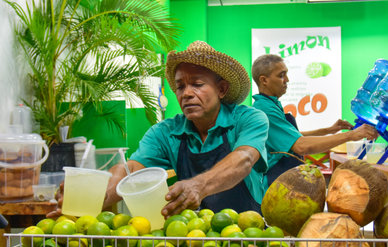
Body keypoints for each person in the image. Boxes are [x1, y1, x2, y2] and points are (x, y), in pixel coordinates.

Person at [48, 41, 269, 219]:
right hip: (195, 237)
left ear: (221, 89)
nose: (187, 93)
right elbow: (130, 169)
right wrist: (93, 200)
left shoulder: (248, 118)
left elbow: (244, 158)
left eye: (197, 84)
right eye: (181, 86)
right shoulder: (165, 132)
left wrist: (198, 185)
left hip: (247, 234)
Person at [251, 54, 378, 186]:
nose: (287, 80)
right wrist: (351, 135)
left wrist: (327, 130)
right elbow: (300, 145)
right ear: (264, 80)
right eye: (281, 75)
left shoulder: (271, 104)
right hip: (271, 183)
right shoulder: (265, 110)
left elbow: (291, 138)